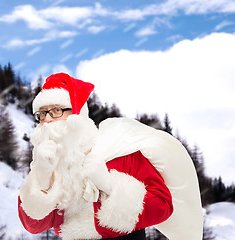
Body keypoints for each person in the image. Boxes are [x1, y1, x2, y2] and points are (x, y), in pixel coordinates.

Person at [18, 73, 203, 240]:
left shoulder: (119, 150)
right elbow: (34, 226)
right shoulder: (48, 163)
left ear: (77, 115)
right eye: (41, 114)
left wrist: (109, 184)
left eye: (56, 110)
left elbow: (162, 207)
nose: (47, 119)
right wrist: (41, 180)